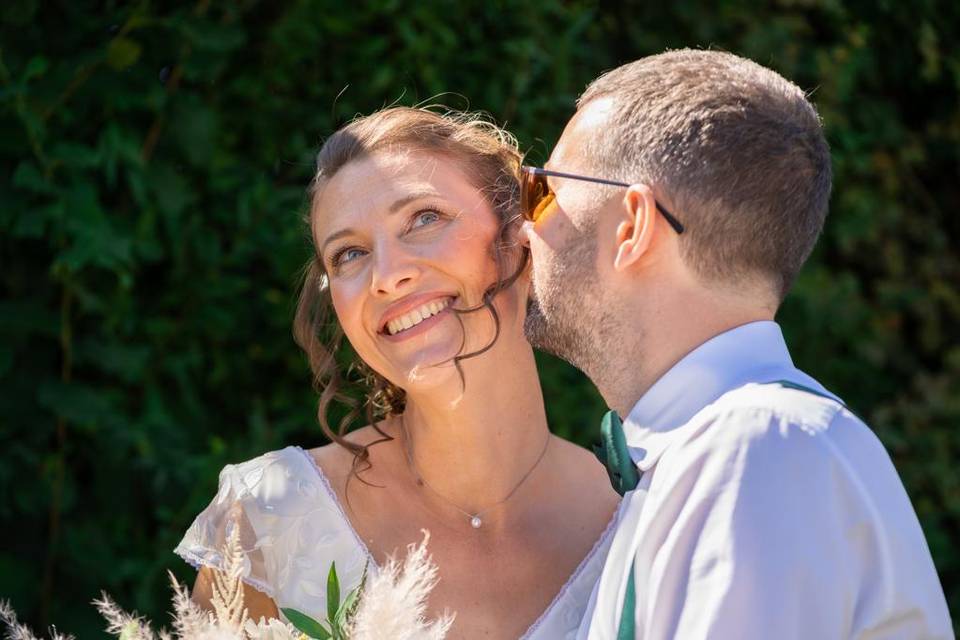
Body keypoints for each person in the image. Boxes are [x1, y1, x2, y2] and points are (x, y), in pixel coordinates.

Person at [520, 49, 953, 638]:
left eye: (542, 190)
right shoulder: (731, 448)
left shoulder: (756, 449)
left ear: (631, 227)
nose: (525, 226)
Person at [174, 107, 621, 639]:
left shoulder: (635, 521)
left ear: (520, 240)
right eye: (350, 254)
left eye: (425, 218)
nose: (387, 276)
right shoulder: (272, 525)